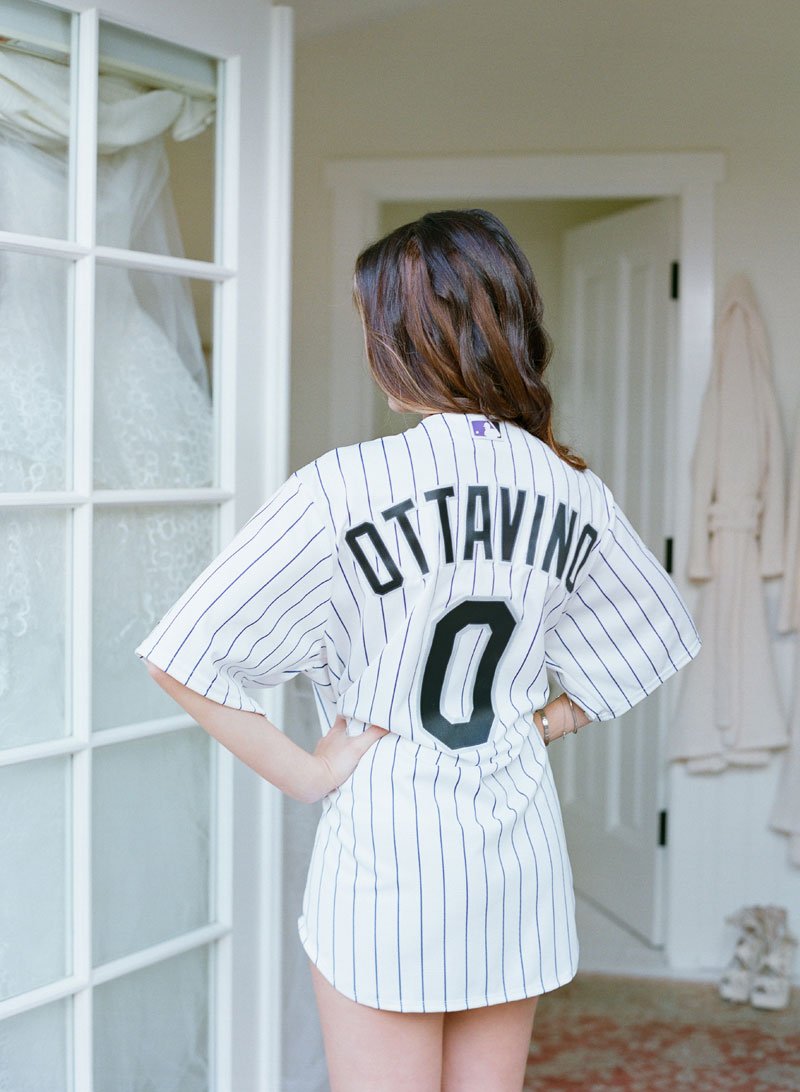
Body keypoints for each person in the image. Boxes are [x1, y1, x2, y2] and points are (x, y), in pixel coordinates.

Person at [136, 209, 701, 1091]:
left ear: (401, 344)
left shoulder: (341, 487)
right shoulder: (571, 488)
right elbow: (653, 633)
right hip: (515, 853)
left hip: (387, 855)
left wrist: (308, 774)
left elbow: (182, 653)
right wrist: (542, 720)